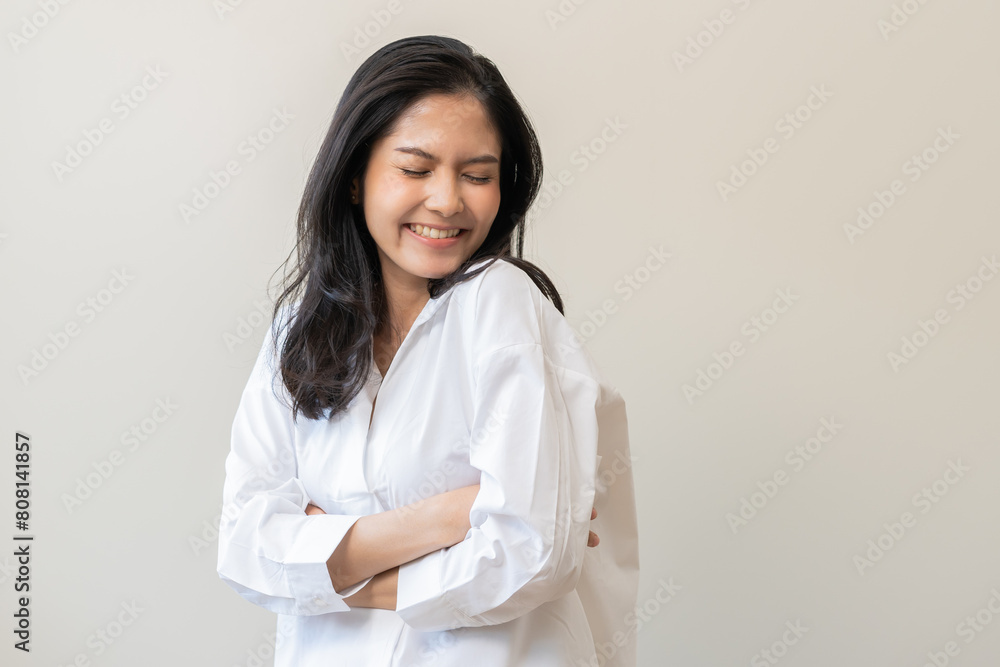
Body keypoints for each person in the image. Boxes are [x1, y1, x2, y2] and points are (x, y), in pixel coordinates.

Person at [216, 34, 639, 666]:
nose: (447, 200)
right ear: (355, 178)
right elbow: (246, 550)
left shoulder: (501, 300)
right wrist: (454, 515)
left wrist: (326, 566)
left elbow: (531, 554)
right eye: (415, 169)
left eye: (478, 175)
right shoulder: (299, 331)